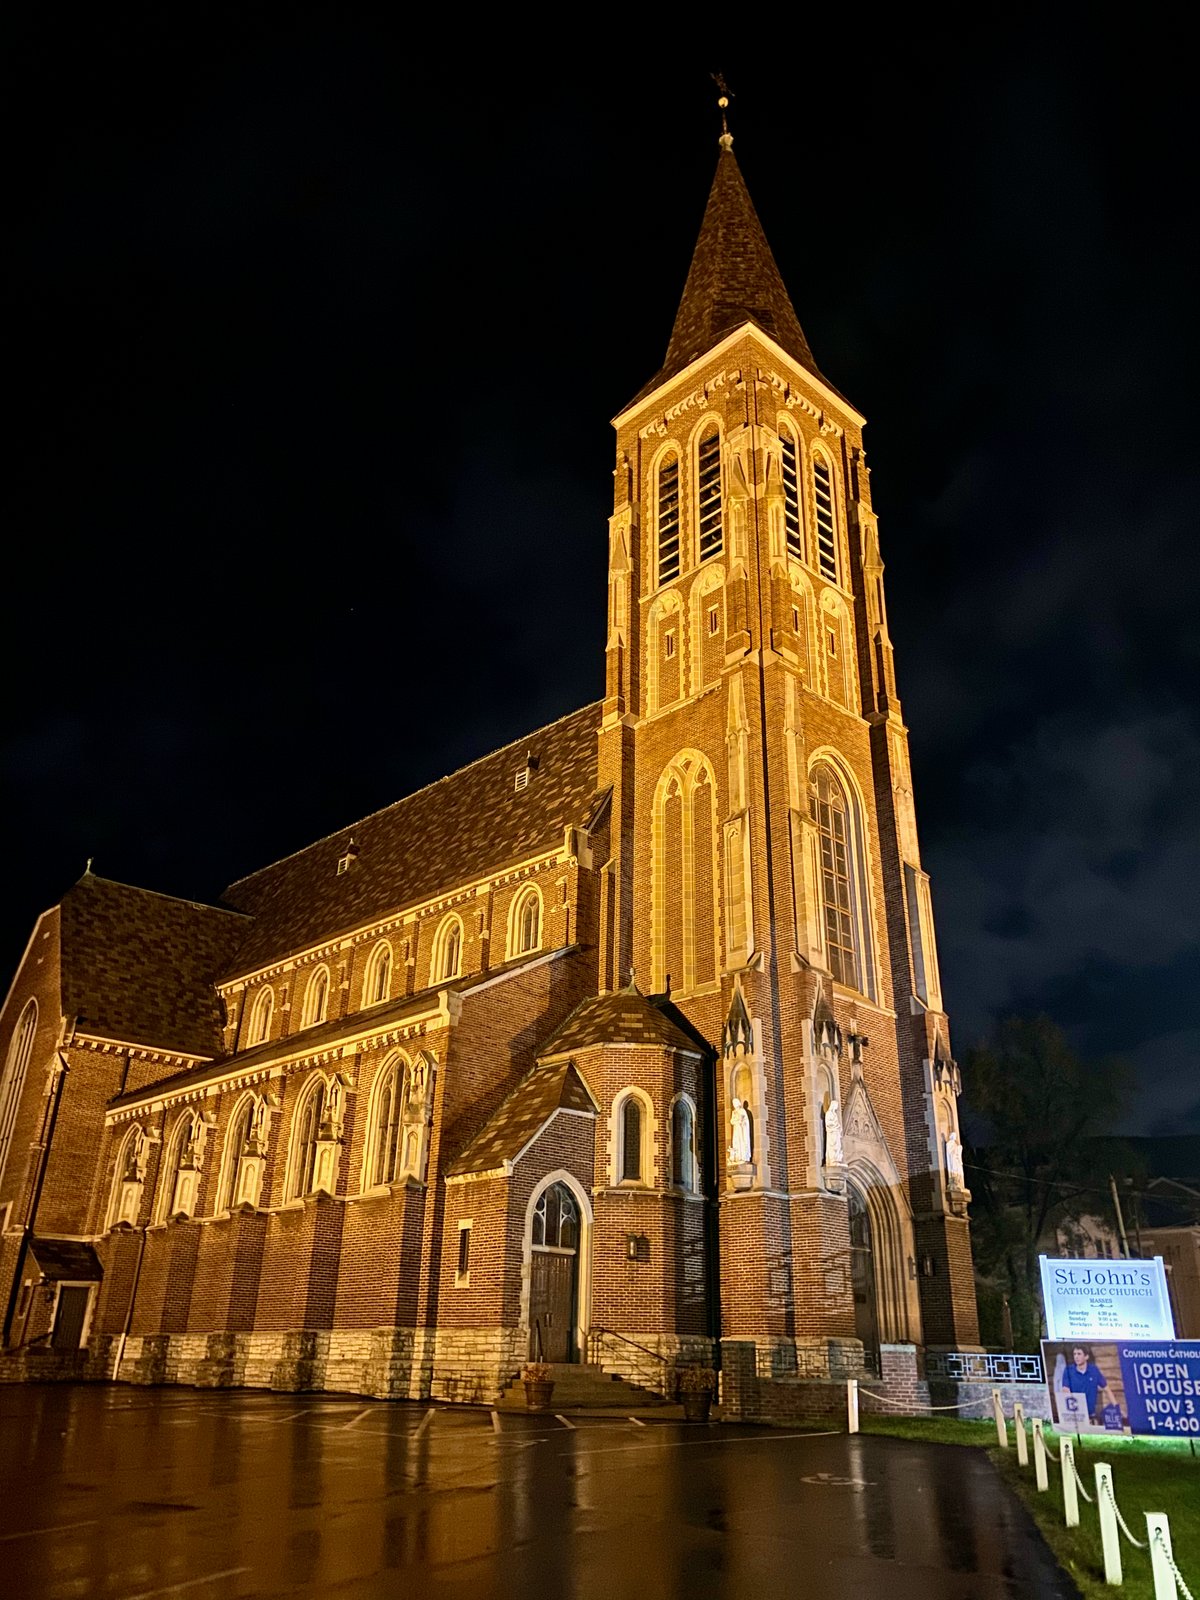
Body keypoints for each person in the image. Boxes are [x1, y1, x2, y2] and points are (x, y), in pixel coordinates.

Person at [1060, 1344, 1114, 1421]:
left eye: (1079, 1354)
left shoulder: (1093, 1370)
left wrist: (1116, 1407)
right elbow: (1065, 1390)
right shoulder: (1069, 1370)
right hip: (1076, 1416)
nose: (1076, 1357)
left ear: (1086, 1357)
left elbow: (1107, 1389)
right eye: (1074, 1354)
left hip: (1091, 1415)